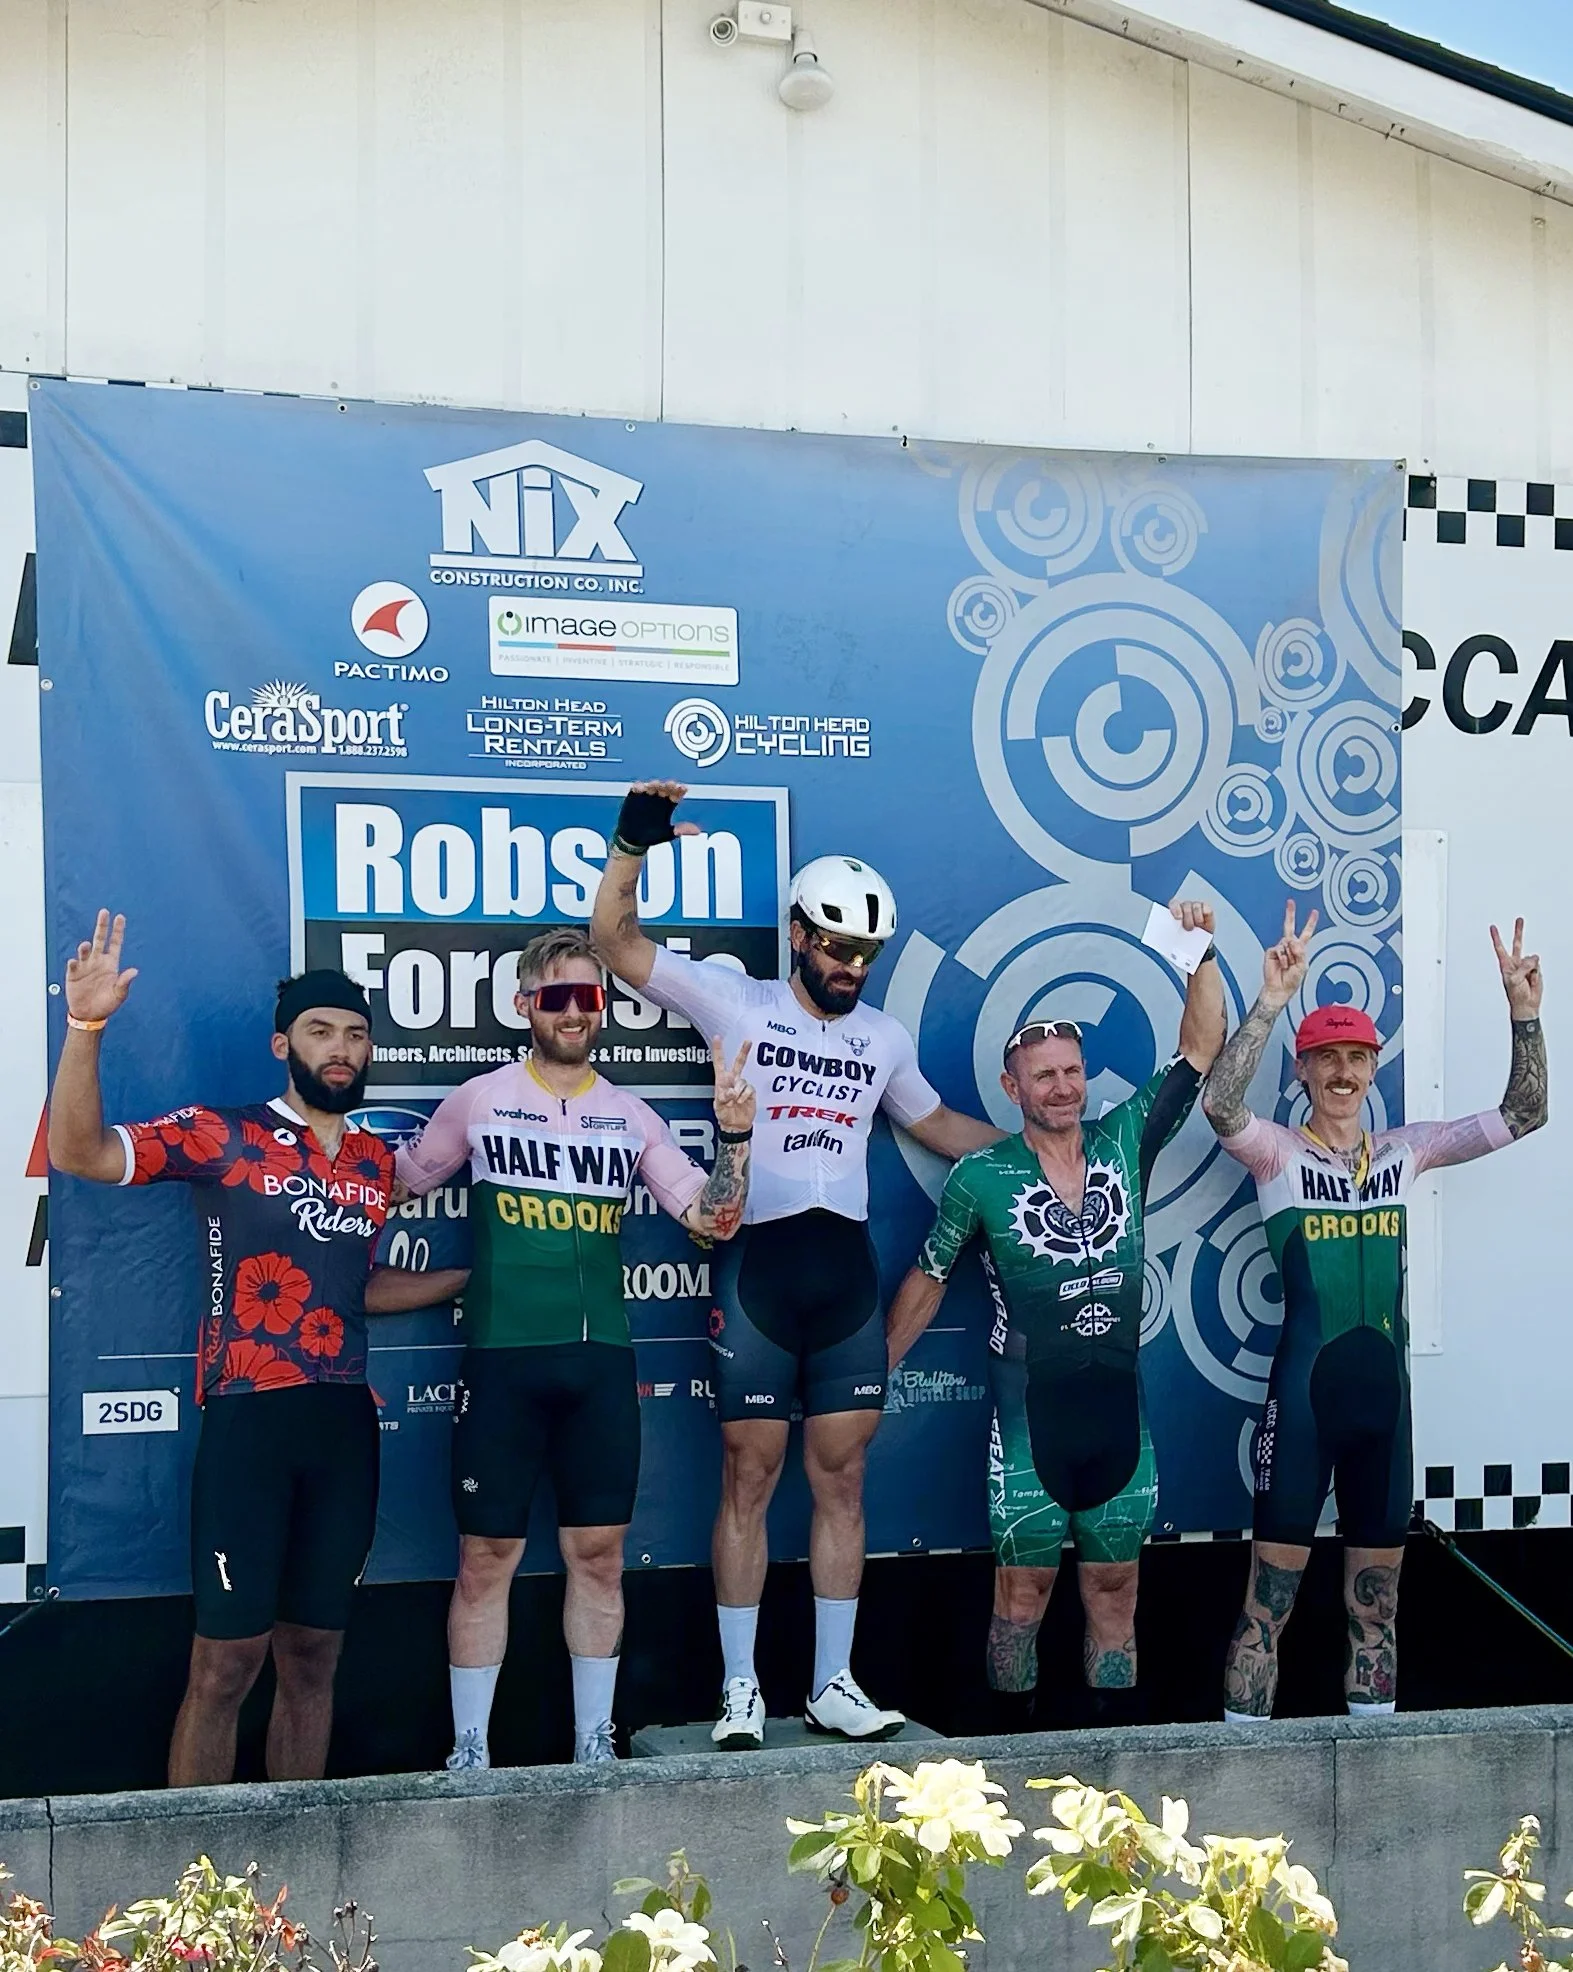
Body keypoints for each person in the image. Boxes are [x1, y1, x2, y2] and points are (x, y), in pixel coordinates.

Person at [591, 780, 1001, 1747]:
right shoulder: (734, 1000)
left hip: (843, 1273)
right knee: (747, 1474)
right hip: (757, 1267)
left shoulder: (882, 1037)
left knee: (843, 1480)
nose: (851, 965)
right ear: (799, 936)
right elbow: (614, 943)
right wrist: (632, 843)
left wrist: (1044, 1153)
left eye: (866, 952)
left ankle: (830, 1682)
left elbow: (935, 1124)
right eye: (835, 945)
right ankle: (739, 1687)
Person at [46, 912, 460, 1787]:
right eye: (321, 1030)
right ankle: (192, 1895)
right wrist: (86, 1029)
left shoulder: (377, 1164)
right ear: (284, 1043)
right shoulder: (221, 1133)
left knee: (313, 1660)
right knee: (225, 1667)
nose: (340, 1048)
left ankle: (293, 1869)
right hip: (248, 1421)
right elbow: (77, 1151)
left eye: (355, 1034)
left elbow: (357, 1290)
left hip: (345, 1423)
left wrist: (463, 1283)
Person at [395, 925, 754, 1769]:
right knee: (486, 1558)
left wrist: (732, 1139)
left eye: (587, 996)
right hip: (501, 1361)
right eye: (555, 995)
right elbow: (401, 1179)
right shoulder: (478, 1099)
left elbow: (712, 1219)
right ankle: (470, 1749)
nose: (573, 1011)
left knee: (597, 1555)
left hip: (599, 1369)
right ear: (525, 1005)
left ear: (603, 1008)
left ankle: (594, 1742)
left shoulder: (631, 1116)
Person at [1202, 903, 1548, 1720]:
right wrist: (1268, 1002)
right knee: (1266, 1607)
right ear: (1303, 1070)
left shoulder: (1405, 1150)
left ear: (1373, 1064)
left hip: (1384, 1412)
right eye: (1326, 1059)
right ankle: (1239, 1766)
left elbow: (1524, 1113)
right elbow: (1219, 1106)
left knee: (1376, 1612)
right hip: (1304, 1401)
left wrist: (1523, 1015)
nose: (1343, 1072)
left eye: (1356, 1056)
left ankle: (1373, 1765)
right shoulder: (1275, 1154)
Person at [884, 902, 1225, 1729]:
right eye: (1044, 1075)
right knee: (1020, 1597)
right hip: (1027, 1425)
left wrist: (1198, 954)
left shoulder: (1121, 1144)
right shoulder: (982, 1176)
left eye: (1072, 1071)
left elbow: (1200, 1050)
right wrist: (876, 1371)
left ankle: (1113, 1781)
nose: (1063, 1087)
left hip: (1117, 1419)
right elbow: (928, 1279)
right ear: (1013, 1087)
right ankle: (1009, 1753)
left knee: (1116, 1594)